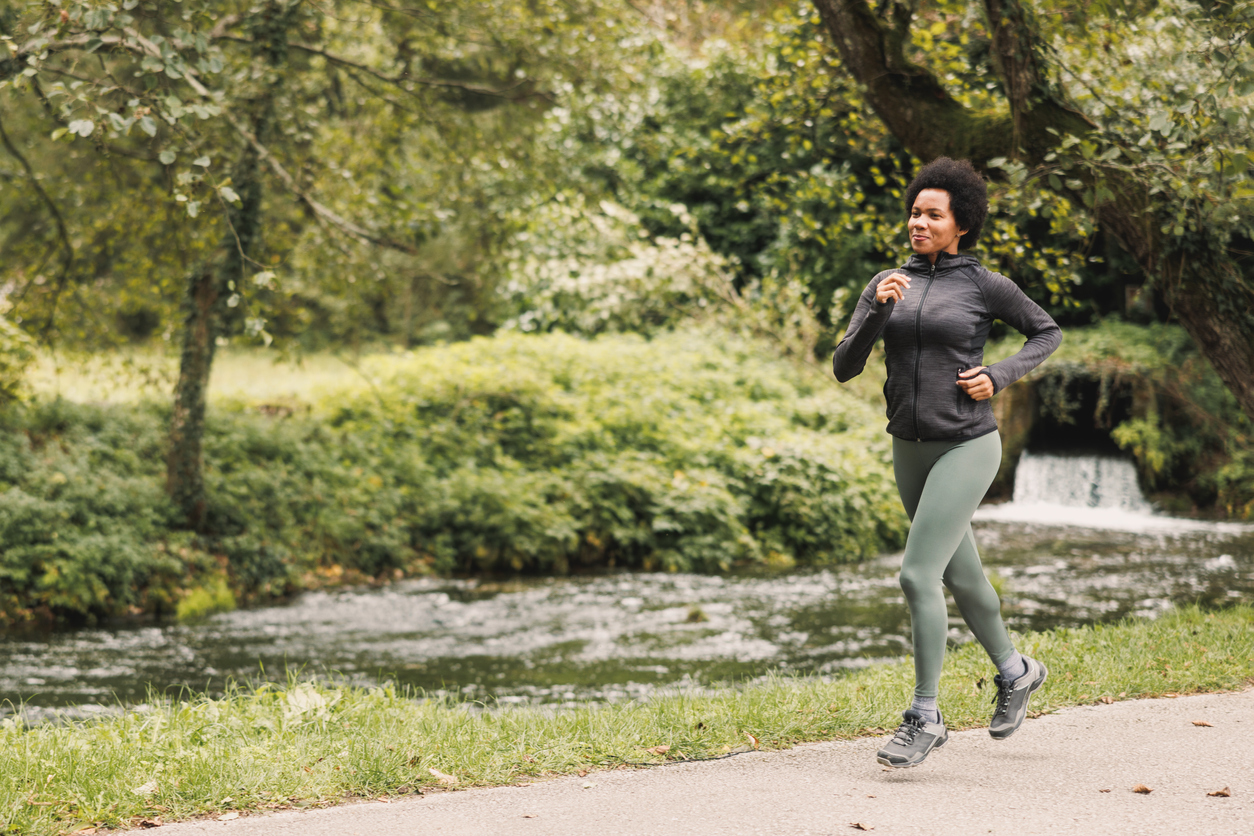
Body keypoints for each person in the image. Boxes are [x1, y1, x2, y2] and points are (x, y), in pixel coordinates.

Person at [832, 157, 1061, 768]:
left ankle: (924, 715)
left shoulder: (984, 285)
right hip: (908, 446)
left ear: (961, 224)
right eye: (915, 212)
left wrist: (1000, 374)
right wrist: (877, 310)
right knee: (960, 576)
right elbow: (844, 365)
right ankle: (1016, 672)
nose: (919, 223)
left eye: (933, 215)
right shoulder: (886, 283)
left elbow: (1046, 332)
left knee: (915, 575)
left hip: (967, 443)